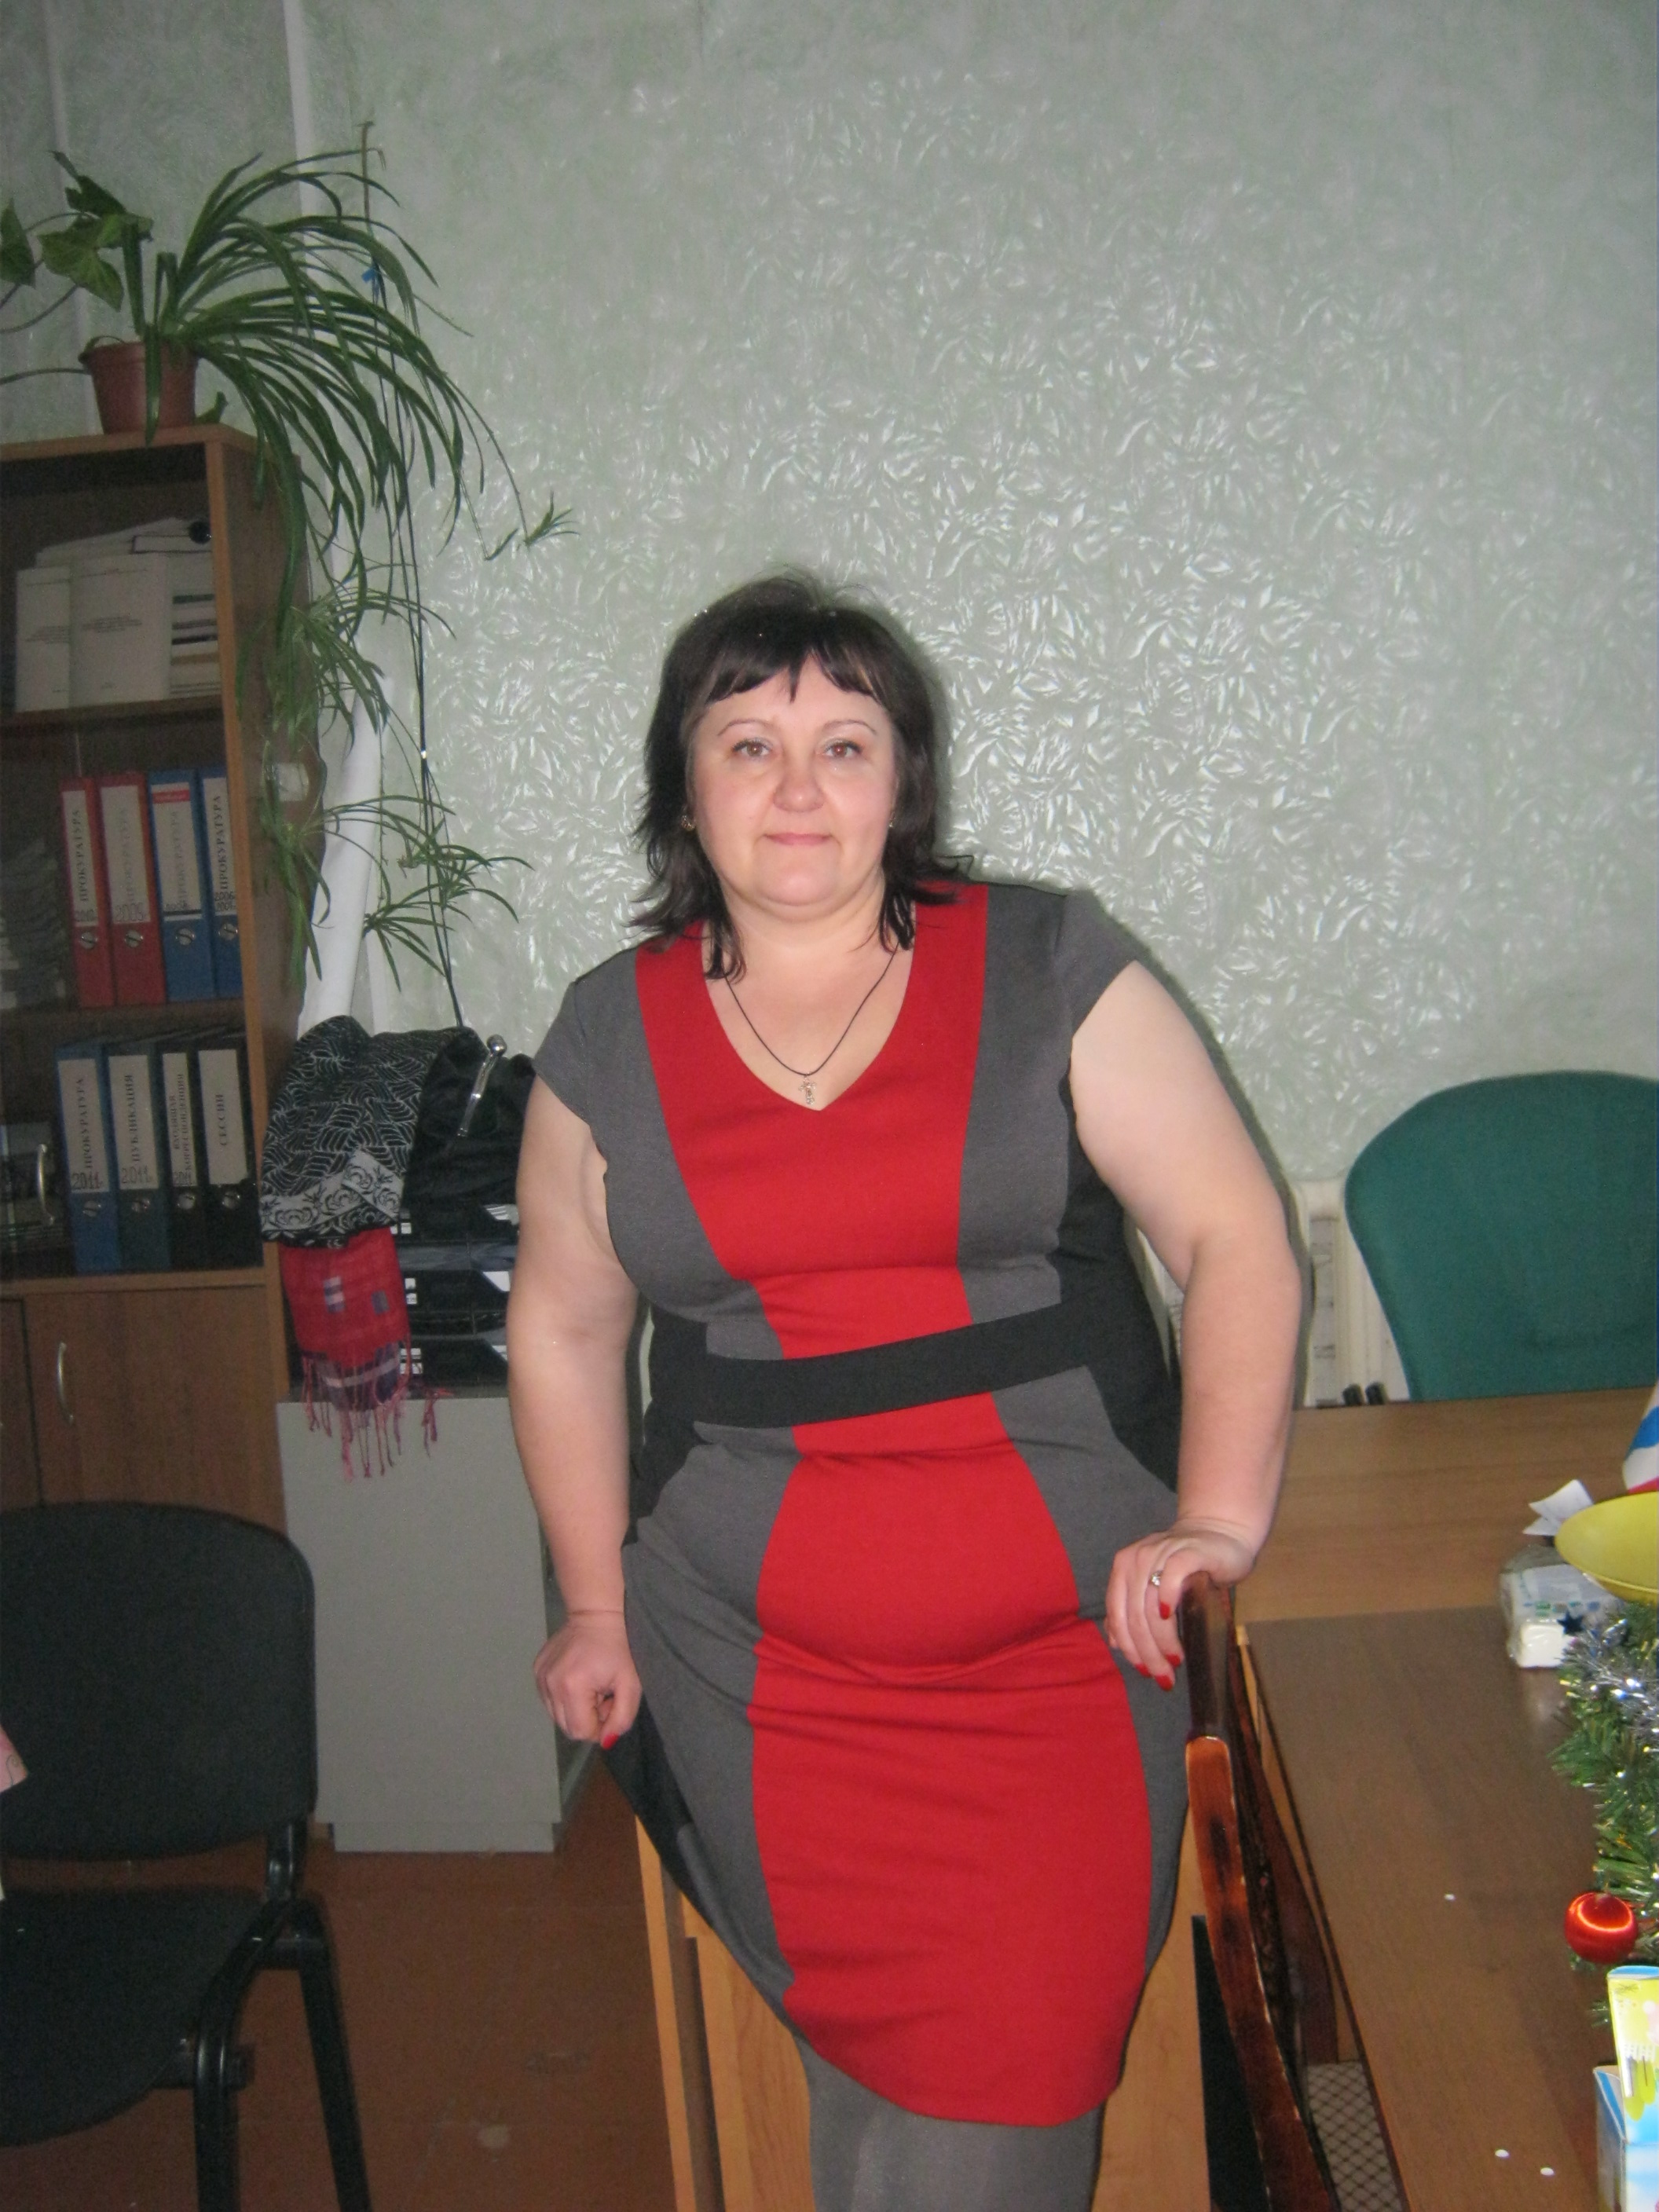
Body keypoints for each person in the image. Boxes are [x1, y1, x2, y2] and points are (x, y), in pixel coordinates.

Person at [507, 574, 1302, 2212]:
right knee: (875, 2106)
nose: (798, 786)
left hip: (1056, 1669)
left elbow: (1236, 1239)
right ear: (684, 785)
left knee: (995, 2104)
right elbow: (566, 1331)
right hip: (752, 1676)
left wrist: (1220, 1519)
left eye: (845, 744)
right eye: (749, 743)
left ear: (903, 779)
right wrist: (590, 1606)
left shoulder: (1048, 964)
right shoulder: (609, 1035)